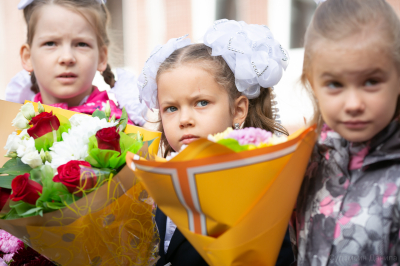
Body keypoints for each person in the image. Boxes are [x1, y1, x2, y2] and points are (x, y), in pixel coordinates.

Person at [138, 19, 294, 266]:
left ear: (238, 109)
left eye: (201, 103)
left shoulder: (257, 183)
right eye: (171, 108)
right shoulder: (156, 184)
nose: (184, 120)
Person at [290, 0, 400, 265]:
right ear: (312, 83)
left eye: (371, 81)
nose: (353, 104)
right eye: (335, 84)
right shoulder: (302, 166)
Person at [5, 0, 146, 126]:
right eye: (51, 43)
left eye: (81, 44)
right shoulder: (13, 127)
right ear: (28, 57)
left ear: (102, 57)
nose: (67, 57)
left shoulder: (118, 127)